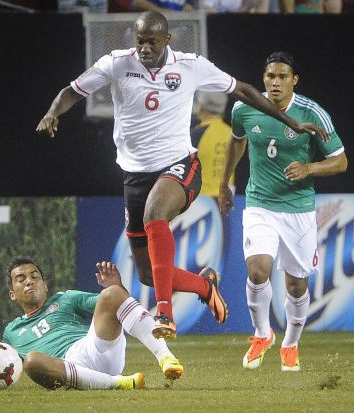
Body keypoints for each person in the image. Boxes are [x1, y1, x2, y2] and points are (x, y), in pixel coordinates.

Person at [36, 11, 328, 340]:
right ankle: (205, 286)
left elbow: (243, 90)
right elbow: (73, 91)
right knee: (147, 273)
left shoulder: (189, 66)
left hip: (181, 166)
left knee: (155, 213)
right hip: (134, 178)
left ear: (166, 40)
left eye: (151, 42)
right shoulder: (116, 63)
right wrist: (51, 112)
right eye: (139, 41)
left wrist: (291, 122)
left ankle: (165, 314)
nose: (144, 48)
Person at [219, 52, 347, 372]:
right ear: (264, 78)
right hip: (260, 203)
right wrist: (225, 182)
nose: (275, 82)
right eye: (270, 76)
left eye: (282, 77)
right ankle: (263, 334)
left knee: (296, 286)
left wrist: (309, 167)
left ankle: (290, 343)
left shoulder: (312, 113)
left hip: (298, 210)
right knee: (258, 271)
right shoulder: (244, 107)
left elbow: (341, 160)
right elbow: (237, 141)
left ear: (294, 80)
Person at [0, 255, 184, 390]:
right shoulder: (12, 332)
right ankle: (120, 384)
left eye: (34, 276)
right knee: (32, 361)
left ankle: (165, 357)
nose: (29, 281)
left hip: (95, 348)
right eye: (21, 279)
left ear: (45, 284)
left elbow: (118, 305)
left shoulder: (66, 299)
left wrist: (117, 286)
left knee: (112, 294)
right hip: (62, 368)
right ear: (12, 293)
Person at [191, 92, 234, 197]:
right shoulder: (232, 133)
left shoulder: (196, 134)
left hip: (201, 197)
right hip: (226, 195)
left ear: (201, 106)